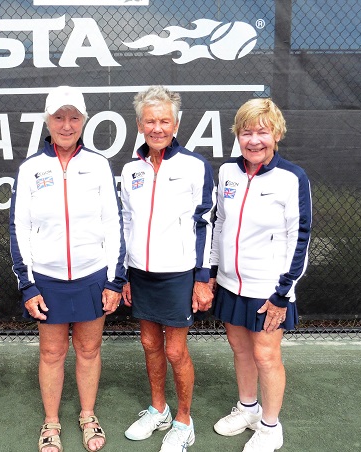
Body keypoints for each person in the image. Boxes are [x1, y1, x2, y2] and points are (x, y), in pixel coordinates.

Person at [9, 86, 127, 452]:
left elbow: (114, 224)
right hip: (47, 279)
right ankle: (51, 422)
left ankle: (88, 415)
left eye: (74, 117)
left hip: (93, 276)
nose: (66, 124)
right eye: (59, 117)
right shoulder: (31, 169)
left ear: (84, 121)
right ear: (47, 121)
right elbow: (19, 228)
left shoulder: (98, 165)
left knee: (90, 351)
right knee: (52, 353)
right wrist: (28, 286)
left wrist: (114, 280)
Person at [209, 98, 312, 452]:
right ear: (237, 135)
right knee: (240, 349)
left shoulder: (292, 178)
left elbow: (300, 236)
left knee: (266, 356)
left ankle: (270, 426)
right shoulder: (227, 173)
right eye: (246, 132)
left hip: (270, 288)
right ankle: (248, 408)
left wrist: (283, 292)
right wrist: (212, 270)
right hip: (229, 282)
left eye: (262, 132)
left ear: (277, 134)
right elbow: (219, 222)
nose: (254, 140)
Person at [120, 85, 215, 452]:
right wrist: (126, 273)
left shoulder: (194, 166)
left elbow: (204, 223)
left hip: (179, 274)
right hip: (140, 273)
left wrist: (201, 279)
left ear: (176, 123)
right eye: (150, 120)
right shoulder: (131, 170)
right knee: (148, 343)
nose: (157, 127)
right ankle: (158, 409)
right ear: (140, 125)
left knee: (175, 351)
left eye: (164, 120)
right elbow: (126, 222)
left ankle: (184, 421)